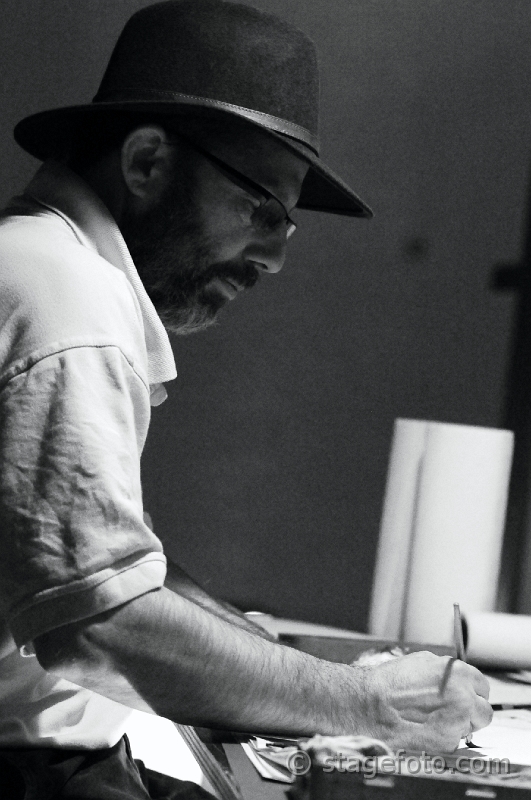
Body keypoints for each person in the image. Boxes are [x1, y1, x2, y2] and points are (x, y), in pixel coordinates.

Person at [0, 0, 491, 797]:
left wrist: (289, 666)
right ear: (147, 163)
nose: (273, 258)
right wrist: (368, 704)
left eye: (286, 225)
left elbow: (120, 576)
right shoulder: (67, 303)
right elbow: (101, 627)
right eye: (262, 211)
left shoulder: (38, 264)